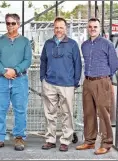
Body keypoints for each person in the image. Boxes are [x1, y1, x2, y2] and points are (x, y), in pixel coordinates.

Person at [0, 13, 32, 151]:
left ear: (18, 24)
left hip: (20, 80)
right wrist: (3, 71)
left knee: (20, 110)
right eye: (8, 23)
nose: (10, 26)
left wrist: (16, 70)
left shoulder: (25, 41)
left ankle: (19, 138)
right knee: (0, 109)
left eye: (13, 23)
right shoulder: (0, 41)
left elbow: (27, 60)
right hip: (2, 80)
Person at [76, 18, 118, 155]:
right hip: (88, 81)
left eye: (95, 26)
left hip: (102, 81)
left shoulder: (107, 44)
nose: (92, 28)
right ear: (87, 28)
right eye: (90, 26)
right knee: (88, 112)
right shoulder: (84, 45)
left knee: (103, 113)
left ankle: (106, 143)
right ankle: (89, 141)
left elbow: (114, 65)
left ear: (99, 28)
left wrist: (105, 78)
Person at [40, 17, 82, 152]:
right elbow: (43, 62)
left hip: (67, 84)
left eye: (61, 27)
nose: (58, 30)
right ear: (54, 28)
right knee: (49, 113)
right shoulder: (48, 43)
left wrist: (75, 82)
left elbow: (78, 64)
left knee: (67, 113)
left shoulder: (73, 44)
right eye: (56, 27)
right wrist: (43, 79)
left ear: (66, 28)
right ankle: (50, 140)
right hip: (50, 83)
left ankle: (65, 140)